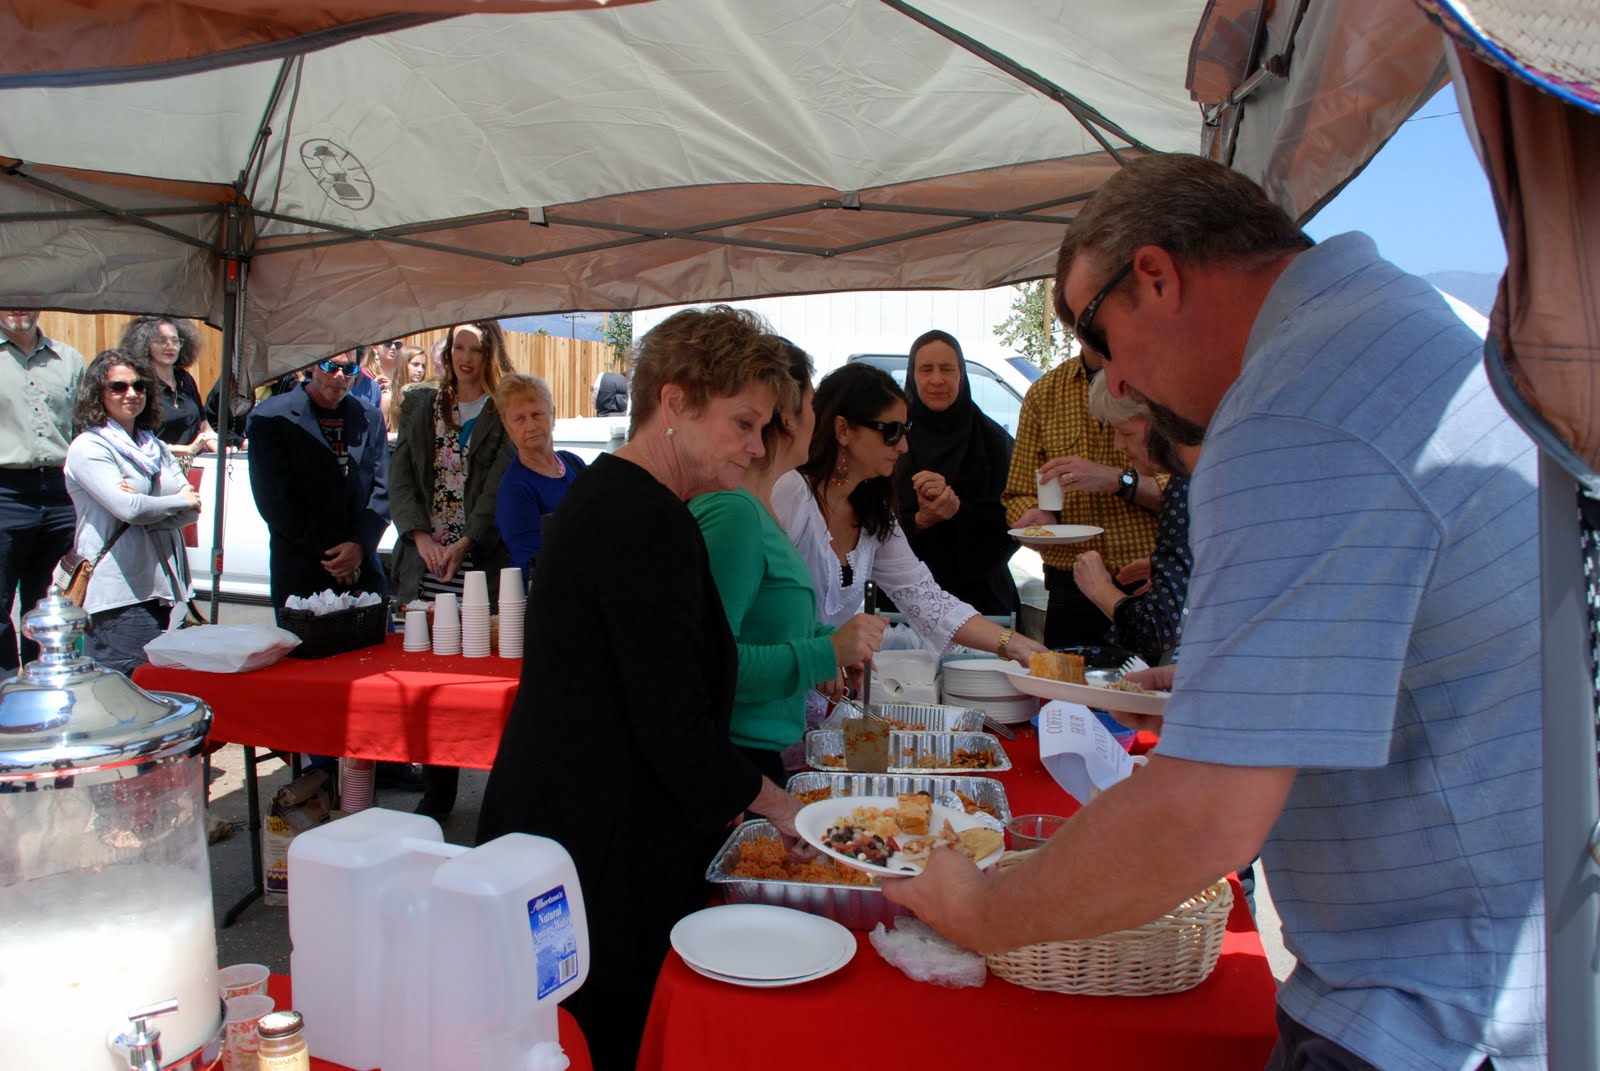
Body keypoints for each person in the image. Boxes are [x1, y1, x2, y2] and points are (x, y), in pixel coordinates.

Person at [884, 154, 1544, 1071]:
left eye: (1100, 340)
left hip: (1429, 1016)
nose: (1115, 383)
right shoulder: (1380, 326)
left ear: (1156, 277)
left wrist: (978, 909)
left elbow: (1201, 815)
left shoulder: (1289, 408)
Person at [477, 306, 810, 1071]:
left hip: (580, 835)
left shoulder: (627, 501)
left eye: (764, 428)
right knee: (592, 1040)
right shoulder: (639, 518)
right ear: (675, 401)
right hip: (594, 855)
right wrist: (779, 806)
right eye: (743, 423)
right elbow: (672, 723)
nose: (756, 446)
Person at [690, 338, 886, 782]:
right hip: (735, 757)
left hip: (758, 752)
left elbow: (763, 626)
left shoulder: (758, 509)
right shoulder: (736, 513)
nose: (817, 418)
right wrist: (825, 652)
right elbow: (713, 664)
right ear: (785, 418)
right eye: (812, 405)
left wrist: (828, 645)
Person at [773, 363, 1047, 666]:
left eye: (906, 431)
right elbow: (763, 606)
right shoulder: (792, 494)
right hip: (778, 677)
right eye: (891, 432)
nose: (903, 446)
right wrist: (823, 654)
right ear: (843, 430)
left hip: (818, 680)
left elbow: (925, 599)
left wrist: (1015, 644)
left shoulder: (872, 513)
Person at [389, 320, 513, 819]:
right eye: (458, 348)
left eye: (475, 350)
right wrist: (419, 536)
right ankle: (437, 792)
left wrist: (465, 542)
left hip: (477, 563)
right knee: (430, 680)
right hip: (425, 560)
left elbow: (497, 486)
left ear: (490, 354)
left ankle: (497, 794)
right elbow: (401, 475)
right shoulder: (422, 403)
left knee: (477, 678)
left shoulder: (501, 407)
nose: (465, 358)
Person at [1002, 331, 1163, 648]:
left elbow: (1187, 492)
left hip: (1147, 579)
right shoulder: (1045, 393)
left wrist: (1117, 480)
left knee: (1148, 676)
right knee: (1067, 678)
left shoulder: (1155, 382)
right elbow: (1018, 493)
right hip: (1072, 585)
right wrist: (1038, 518)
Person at [62, 349, 201, 674]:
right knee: (127, 691)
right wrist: (174, 501)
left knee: (160, 689)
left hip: (165, 588)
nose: (132, 393)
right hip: (120, 594)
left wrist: (147, 506)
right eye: (118, 386)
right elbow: (131, 510)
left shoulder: (155, 446)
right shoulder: (89, 447)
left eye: (139, 386)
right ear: (98, 393)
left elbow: (192, 511)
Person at [246, 353, 392, 613]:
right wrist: (336, 559)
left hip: (362, 574)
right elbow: (275, 501)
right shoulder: (270, 417)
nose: (339, 376)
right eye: (330, 366)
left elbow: (383, 490)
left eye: (349, 369)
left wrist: (360, 547)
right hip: (303, 573)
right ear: (313, 365)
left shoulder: (369, 416)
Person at [1070, 374, 1196, 666]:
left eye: (1126, 433)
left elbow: (1156, 629)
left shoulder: (1183, 487)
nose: (1118, 445)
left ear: (1161, 422)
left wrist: (1100, 588)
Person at [894, 329, 1019, 616]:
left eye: (947, 369)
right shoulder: (892, 439)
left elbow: (1013, 526)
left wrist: (959, 510)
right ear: (912, 376)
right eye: (926, 369)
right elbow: (868, 522)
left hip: (982, 601)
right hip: (903, 603)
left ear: (961, 375)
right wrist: (919, 521)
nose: (937, 380)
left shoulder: (993, 442)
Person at [0, 309, 85, 671]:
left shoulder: (69, 360)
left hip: (61, 492)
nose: (19, 307)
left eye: (28, 298)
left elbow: (87, 424)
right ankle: (6, 692)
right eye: (9, 299)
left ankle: (46, 685)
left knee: (54, 602)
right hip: (4, 491)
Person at [493, 372, 585, 585]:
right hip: (548, 594)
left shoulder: (574, 463)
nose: (530, 426)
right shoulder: (515, 490)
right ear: (506, 425)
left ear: (553, 414)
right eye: (519, 419)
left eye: (537, 414)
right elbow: (534, 563)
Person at [118, 315, 218, 463]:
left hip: (196, 462)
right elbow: (137, 440)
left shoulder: (185, 379)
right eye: (161, 340)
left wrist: (223, 452)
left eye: (175, 340)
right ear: (145, 343)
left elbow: (205, 429)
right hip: (158, 463)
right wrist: (186, 450)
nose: (170, 345)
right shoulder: (141, 384)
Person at [382, 346, 428, 433]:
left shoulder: (425, 397)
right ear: (403, 364)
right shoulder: (388, 398)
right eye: (415, 364)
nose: (420, 370)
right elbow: (380, 436)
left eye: (423, 366)